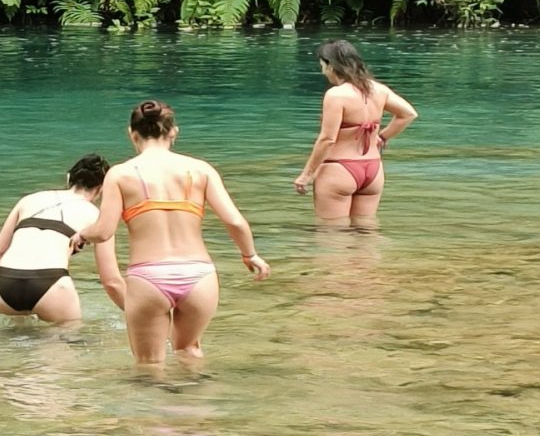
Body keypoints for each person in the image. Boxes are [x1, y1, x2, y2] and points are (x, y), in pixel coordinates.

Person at [74, 99, 269, 367]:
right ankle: (195, 405)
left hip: (149, 277)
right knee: (189, 351)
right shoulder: (201, 169)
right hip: (199, 275)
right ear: (173, 132)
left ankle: (153, 408)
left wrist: (83, 235)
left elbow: (105, 231)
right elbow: (235, 221)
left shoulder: (120, 175)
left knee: (149, 365)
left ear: (132, 134)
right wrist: (251, 255)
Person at [0, 155, 122, 324]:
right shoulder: (97, 217)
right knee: (65, 339)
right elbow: (111, 280)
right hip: (51, 283)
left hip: (3, 283)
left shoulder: (28, 200)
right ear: (101, 189)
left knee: (6, 343)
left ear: (69, 177)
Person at [295, 40, 418, 226]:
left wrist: (306, 174)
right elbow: (408, 114)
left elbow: (327, 139)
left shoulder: (336, 95)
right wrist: (382, 137)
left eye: (323, 66)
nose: (323, 72)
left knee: (333, 236)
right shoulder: (378, 89)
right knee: (366, 233)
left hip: (339, 169)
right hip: (373, 171)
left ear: (331, 65)